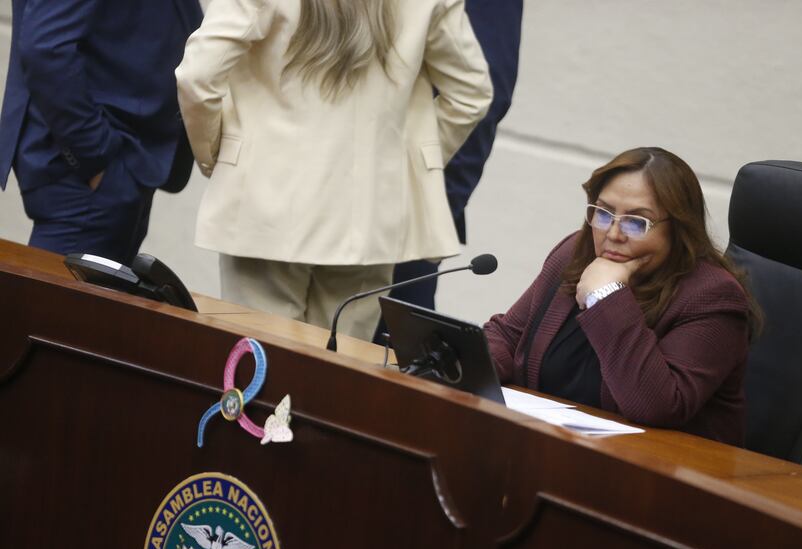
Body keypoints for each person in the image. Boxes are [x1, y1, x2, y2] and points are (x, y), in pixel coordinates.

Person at [176, 0, 493, 341]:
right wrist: (402, 172)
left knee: (264, 372)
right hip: (370, 214)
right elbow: (470, 94)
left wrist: (216, 154)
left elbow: (198, 76)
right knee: (341, 378)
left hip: (264, 206)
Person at [484, 147, 761, 445]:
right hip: (554, 451)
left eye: (636, 222)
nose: (613, 233)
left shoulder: (711, 297)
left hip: (661, 473)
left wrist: (606, 296)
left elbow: (657, 405)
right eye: (603, 214)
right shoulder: (575, 254)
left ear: (679, 229)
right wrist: (456, 363)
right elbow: (509, 335)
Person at [0, 0, 204, 265]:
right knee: (54, 304)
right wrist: (97, 158)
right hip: (91, 172)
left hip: (124, 165)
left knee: (81, 304)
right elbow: (46, 47)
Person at [385, 0, 524, 315]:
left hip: (403, 216)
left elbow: (480, 95)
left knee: (380, 351)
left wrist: (426, 196)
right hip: (309, 198)